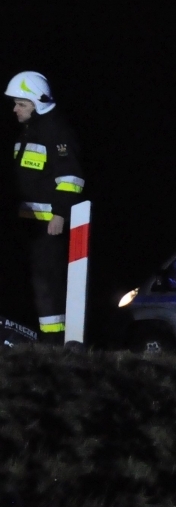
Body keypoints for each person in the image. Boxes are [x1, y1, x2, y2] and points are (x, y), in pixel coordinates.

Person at [9, 71, 85, 344]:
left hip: (47, 227)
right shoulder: (30, 130)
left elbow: (71, 178)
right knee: (33, 284)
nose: (15, 109)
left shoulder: (56, 131)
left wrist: (60, 214)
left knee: (48, 285)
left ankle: (53, 345)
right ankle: (30, 342)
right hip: (28, 223)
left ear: (38, 103)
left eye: (21, 104)